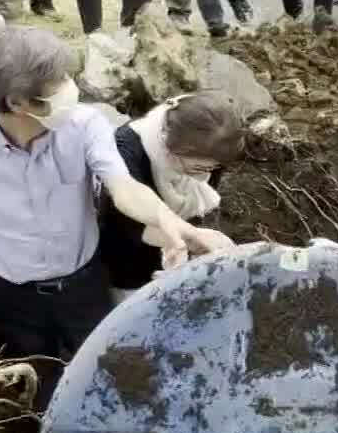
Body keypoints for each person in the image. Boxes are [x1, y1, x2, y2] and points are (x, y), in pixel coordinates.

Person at [0, 26, 234, 414]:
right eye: (59, 82)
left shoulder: (84, 126)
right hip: (10, 296)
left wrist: (171, 224)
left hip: (84, 286)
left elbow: (123, 187)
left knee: (110, 373)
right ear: (17, 102)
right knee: (38, 384)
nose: (70, 87)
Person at [99, 91, 246, 301]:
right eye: (197, 167)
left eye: (214, 167)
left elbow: (195, 206)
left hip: (170, 249)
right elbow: (124, 224)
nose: (206, 174)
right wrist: (192, 238)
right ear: (170, 147)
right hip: (121, 257)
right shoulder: (126, 151)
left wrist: (190, 245)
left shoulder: (213, 150)